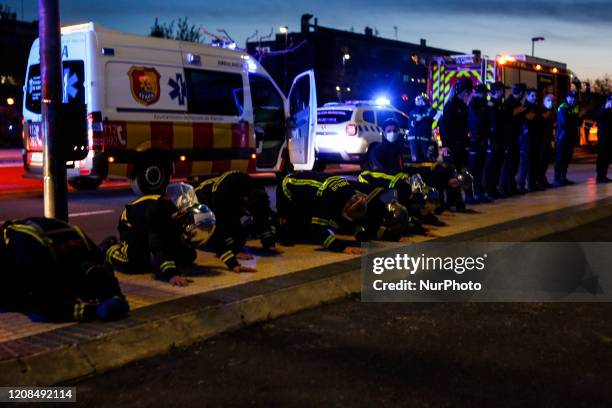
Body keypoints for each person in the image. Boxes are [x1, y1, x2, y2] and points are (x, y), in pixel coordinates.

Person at [0, 217, 129, 322]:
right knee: (19, 301)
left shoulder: (91, 250)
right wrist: (92, 311)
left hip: (35, 238)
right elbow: (46, 309)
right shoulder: (40, 259)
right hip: (15, 247)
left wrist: (116, 298)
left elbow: (109, 281)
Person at [104, 183, 216, 286]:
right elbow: (158, 244)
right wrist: (172, 274)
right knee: (133, 264)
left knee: (187, 257)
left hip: (155, 224)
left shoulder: (184, 209)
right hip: (134, 221)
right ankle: (108, 248)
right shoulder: (159, 211)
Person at [195, 171, 278, 273]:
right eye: (247, 212)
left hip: (230, 199)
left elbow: (261, 217)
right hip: (202, 200)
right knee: (219, 234)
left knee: (239, 230)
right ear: (245, 200)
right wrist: (233, 257)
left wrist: (268, 244)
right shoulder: (223, 196)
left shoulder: (258, 194)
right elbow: (220, 229)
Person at [276, 171, 376, 254]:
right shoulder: (326, 198)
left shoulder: (350, 193)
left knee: (319, 222)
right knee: (290, 234)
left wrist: (361, 235)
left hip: (309, 191)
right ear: (346, 206)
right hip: (288, 188)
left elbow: (353, 220)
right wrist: (342, 248)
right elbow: (318, 229)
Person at [499, 83, 526, 196]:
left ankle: (511, 186)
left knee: (515, 163)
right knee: (508, 164)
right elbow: (507, 117)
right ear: (521, 93)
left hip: (515, 137)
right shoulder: (508, 103)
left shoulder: (517, 103)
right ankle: (504, 187)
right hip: (508, 138)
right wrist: (519, 110)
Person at [439, 78, 473, 171]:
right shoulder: (451, 106)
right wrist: (445, 144)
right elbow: (444, 125)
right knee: (451, 173)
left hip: (460, 144)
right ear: (462, 91)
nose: (468, 94)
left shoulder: (463, 106)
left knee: (460, 171)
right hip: (451, 145)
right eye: (467, 91)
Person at [467, 84, 491, 203]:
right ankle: (469, 194)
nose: (486, 95)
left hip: (481, 140)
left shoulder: (482, 104)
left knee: (479, 169)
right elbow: (478, 120)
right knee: (472, 169)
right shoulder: (474, 104)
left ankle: (478, 192)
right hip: (475, 140)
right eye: (484, 93)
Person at [483, 81, 508, 198]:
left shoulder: (499, 104)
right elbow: (491, 124)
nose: (503, 92)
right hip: (492, 140)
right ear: (497, 91)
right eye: (502, 90)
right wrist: (491, 140)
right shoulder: (490, 104)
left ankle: (494, 188)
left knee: (498, 165)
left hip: (500, 138)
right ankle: (489, 190)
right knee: (491, 166)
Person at [516, 88, 541, 192]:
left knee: (534, 163)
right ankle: (520, 185)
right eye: (532, 96)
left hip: (534, 138)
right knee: (525, 163)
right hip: (526, 139)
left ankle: (532, 184)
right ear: (527, 96)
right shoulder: (524, 107)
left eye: (535, 96)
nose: (534, 98)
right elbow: (524, 121)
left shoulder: (535, 107)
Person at [554, 91, 580, 186]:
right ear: (567, 97)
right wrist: (574, 120)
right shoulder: (563, 107)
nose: (573, 99)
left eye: (574, 98)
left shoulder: (575, 107)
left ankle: (563, 177)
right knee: (560, 158)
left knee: (567, 158)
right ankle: (557, 178)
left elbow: (577, 120)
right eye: (571, 97)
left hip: (570, 137)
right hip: (563, 137)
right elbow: (565, 122)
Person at [408, 95, 436, 162]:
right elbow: (410, 124)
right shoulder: (413, 111)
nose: (416, 101)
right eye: (416, 99)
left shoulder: (429, 110)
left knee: (426, 158)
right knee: (415, 159)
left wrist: (425, 104)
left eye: (418, 99)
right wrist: (416, 121)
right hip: (413, 139)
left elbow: (434, 113)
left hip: (424, 138)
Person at [538, 93, 556, 188]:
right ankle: (539, 180)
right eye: (549, 100)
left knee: (545, 161)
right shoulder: (541, 109)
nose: (551, 102)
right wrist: (550, 110)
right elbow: (543, 118)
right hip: (541, 140)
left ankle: (542, 179)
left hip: (547, 138)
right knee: (540, 161)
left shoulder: (552, 110)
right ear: (544, 100)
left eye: (552, 101)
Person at [595, 95, 612, 183]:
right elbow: (597, 116)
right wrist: (606, 108)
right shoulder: (601, 109)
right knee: (602, 157)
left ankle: (603, 175)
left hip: (609, 138)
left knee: (608, 158)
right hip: (603, 137)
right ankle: (600, 176)